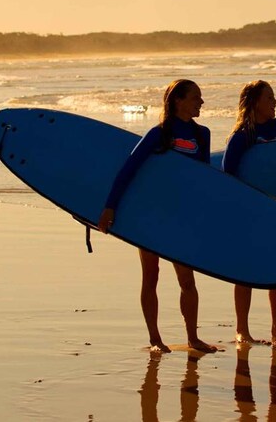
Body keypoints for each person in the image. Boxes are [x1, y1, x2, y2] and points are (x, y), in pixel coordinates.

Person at [98, 79, 219, 354]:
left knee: (187, 280)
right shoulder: (159, 134)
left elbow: (204, 181)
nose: (201, 102)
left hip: (181, 216)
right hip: (151, 214)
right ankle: (155, 338)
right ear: (178, 100)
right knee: (151, 276)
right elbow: (129, 169)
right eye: (196, 97)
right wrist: (110, 207)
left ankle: (193, 337)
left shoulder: (202, 135)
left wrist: (207, 217)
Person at [222, 80, 276, 343]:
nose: (275, 101)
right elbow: (228, 175)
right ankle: (242, 330)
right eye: (269, 97)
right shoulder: (242, 136)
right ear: (256, 102)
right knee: (246, 269)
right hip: (251, 209)